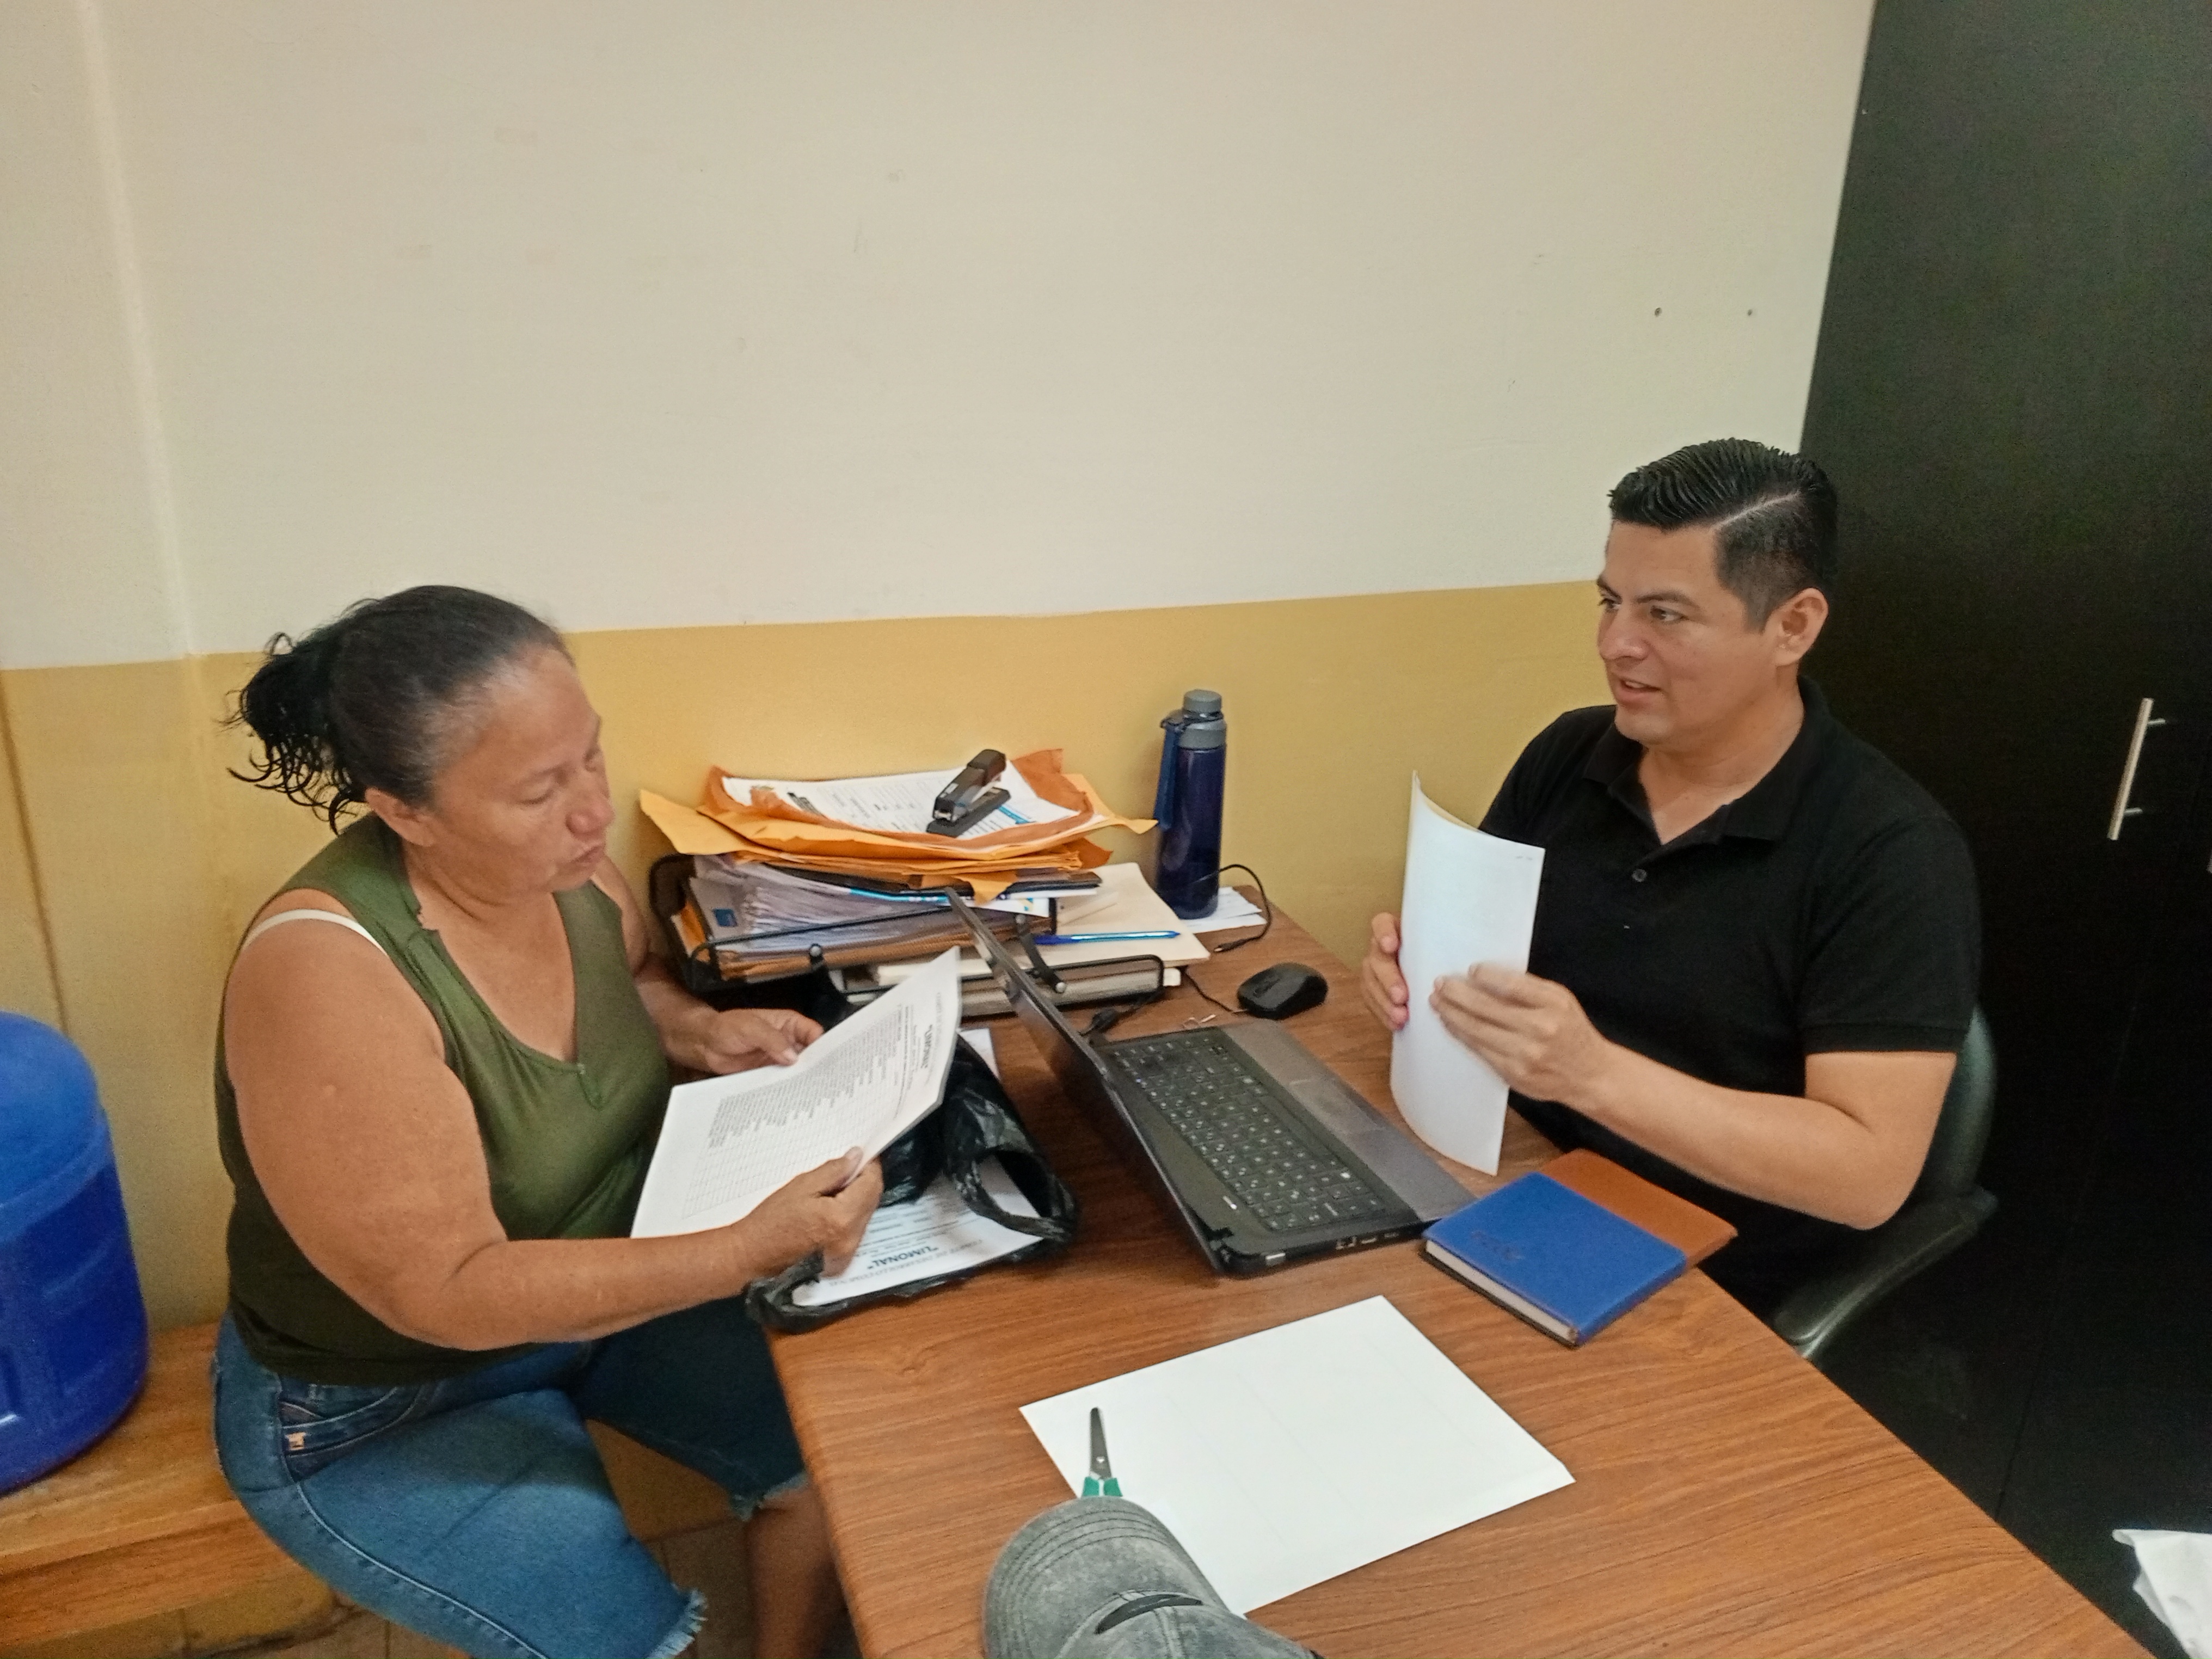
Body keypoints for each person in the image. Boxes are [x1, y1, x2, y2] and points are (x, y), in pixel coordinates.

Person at [210, 586, 883, 1659]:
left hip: (606, 1295)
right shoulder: (328, 978)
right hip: (389, 1397)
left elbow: (635, 980)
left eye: (590, 758)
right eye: (538, 791)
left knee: (837, 1462)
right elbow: (449, 1292)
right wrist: (741, 1251)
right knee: (630, 1638)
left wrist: (699, 1031)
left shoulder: (566, 870)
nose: (590, 812)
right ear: (405, 813)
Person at [1361, 439, 1980, 1314]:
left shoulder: (1891, 853)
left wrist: (1591, 1074)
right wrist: (1417, 976)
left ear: (1793, 627)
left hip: (1706, 1277)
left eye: (1666, 614)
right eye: (1611, 602)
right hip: (1519, 1182)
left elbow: (1867, 1176)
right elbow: (1486, 974)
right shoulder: (1570, 753)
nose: (1616, 644)